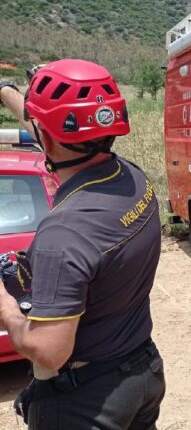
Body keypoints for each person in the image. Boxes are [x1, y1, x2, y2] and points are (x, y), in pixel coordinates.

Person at [0, 59, 165, 429]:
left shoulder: (64, 233)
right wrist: (6, 93)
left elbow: (50, 351)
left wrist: (7, 308)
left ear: (47, 136)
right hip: (141, 371)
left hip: (85, 400)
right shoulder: (131, 178)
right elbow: (57, 138)